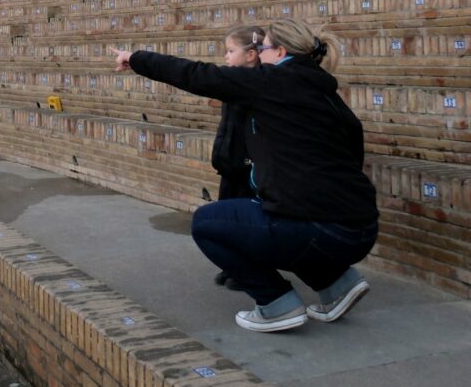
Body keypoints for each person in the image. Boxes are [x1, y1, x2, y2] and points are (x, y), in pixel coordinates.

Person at [111, 18, 378, 333]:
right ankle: (338, 285)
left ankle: (277, 304)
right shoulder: (326, 93)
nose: (259, 54)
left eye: (263, 48)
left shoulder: (271, 82)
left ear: (279, 52)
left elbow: (197, 75)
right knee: (277, 220)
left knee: (209, 224)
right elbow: (353, 147)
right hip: (361, 228)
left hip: (322, 229)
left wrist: (136, 58)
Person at [209, 25, 264, 291]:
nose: (226, 57)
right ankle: (232, 266)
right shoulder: (232, 83)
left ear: (251, 55)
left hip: (247, 168)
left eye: (231, 51)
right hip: (230, 164)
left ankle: (249, 270)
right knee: (226, 219)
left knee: (244, 222)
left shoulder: (256, 85)